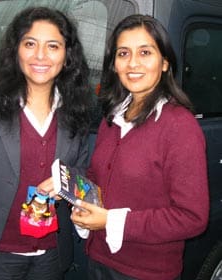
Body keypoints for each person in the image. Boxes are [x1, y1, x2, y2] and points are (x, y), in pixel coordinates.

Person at [0, 6, 91, 280]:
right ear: (16, 50)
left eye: (53, 46)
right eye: (30, 43)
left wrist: (66, 183)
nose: (41, 55)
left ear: (67, 55)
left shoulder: (74, 108)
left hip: (51, 256)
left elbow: (81, 170)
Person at [71, 14, 209, 280]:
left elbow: (192, 217)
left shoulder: (179, 126)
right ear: (114, 64)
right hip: (98, 258)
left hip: (146, 272)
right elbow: (97, 177)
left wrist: (110, 221)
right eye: (123, 53)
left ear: (165, 62)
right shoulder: (112, 117)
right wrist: (77, 197)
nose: (133, 63)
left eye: (145, 52)